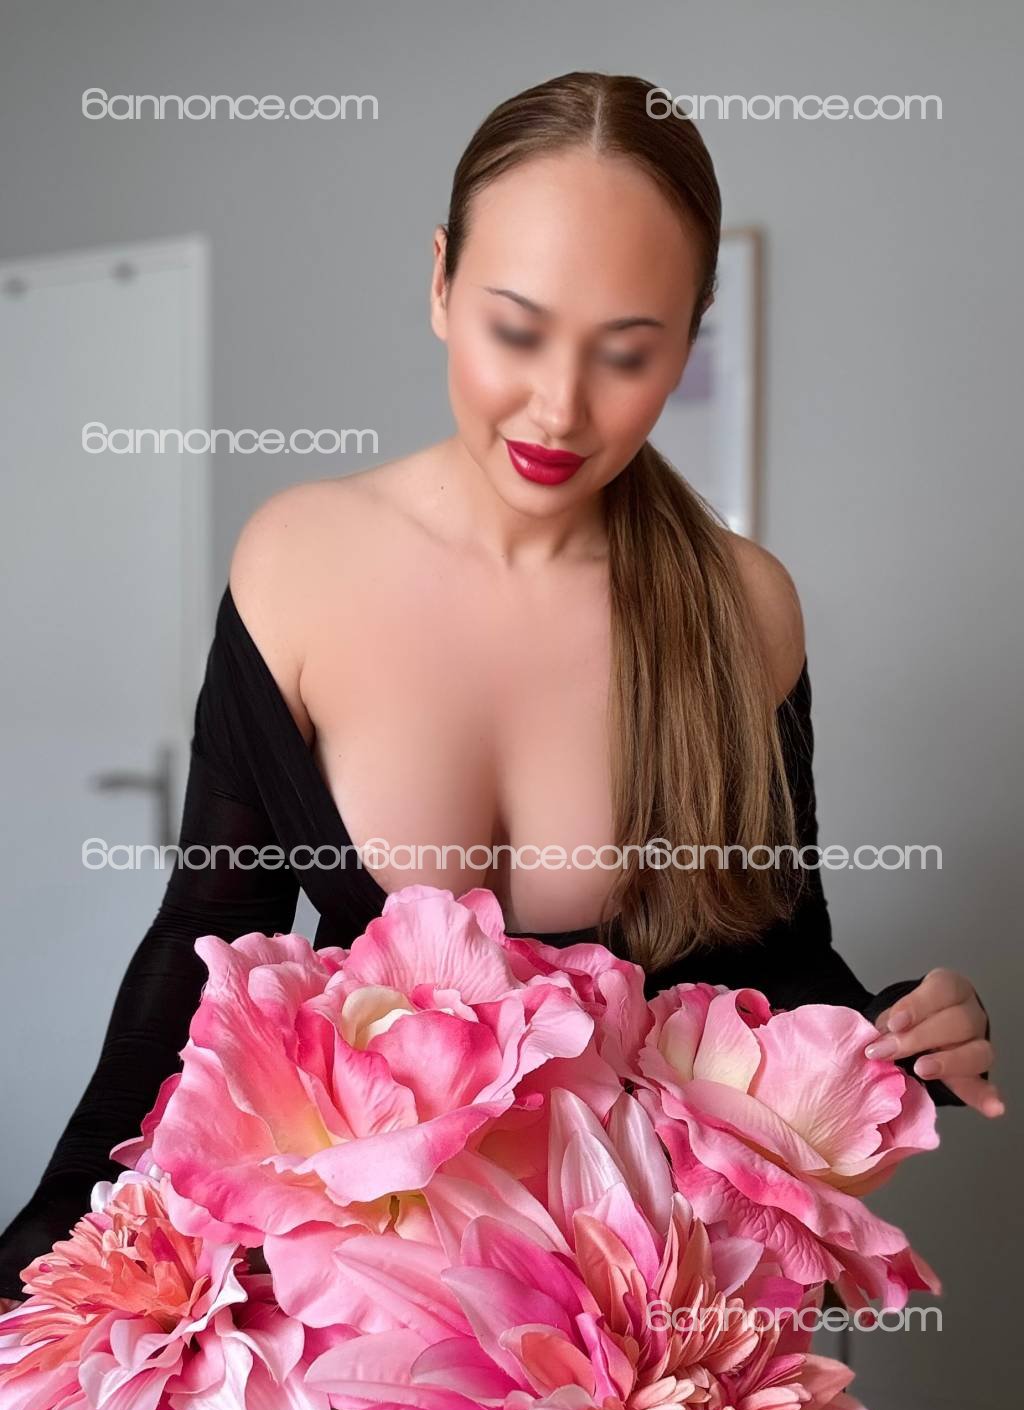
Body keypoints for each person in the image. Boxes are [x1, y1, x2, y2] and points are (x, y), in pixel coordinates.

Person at [0, 69, 1001, 1307]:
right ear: (440, 282)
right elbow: (202, 937)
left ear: (687, 335)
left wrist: (898, 1032)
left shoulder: (743, 609)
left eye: (627, 351)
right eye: (515, 330)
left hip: (628, 1308)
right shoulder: (299, 561)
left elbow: (777, 962)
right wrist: (41, 1252)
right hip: (351, 1301)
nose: (558, 407)